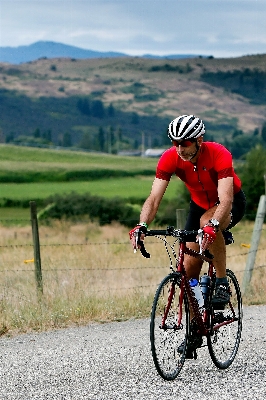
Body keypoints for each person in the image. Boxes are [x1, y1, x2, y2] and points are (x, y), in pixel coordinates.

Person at [129, 114, 246, 357]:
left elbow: (225, 199)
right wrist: (141, 224)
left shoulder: (218, 153)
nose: (180, 148)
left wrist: (213, 226)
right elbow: (153, 199)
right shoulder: (170, 158)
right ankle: (195, 329)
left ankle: (222, 283)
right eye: (175, 143)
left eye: (185, 143)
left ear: (199, 140)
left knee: (207, 224)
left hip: (228, 203)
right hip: (198, 205)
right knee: (189, 269)